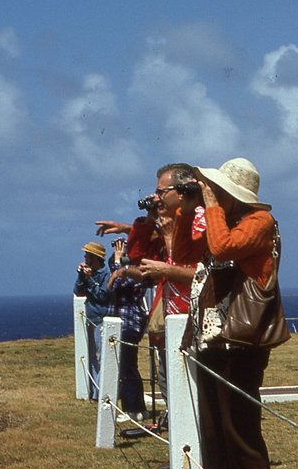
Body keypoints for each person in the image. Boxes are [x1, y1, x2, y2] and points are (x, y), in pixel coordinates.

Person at [180, 157, 287, 469]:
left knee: (240, 432)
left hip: (242, 342)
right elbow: (184, 253)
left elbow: (223, 247)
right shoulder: (222, 218)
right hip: (214, 338)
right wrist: (185, 210)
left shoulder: (260, 223)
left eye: (217, 188)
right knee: (214, 431)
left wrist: (209, 206)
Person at [95, 163, 206, 426]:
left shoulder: (198, 220)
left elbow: (194, 267)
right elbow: (141, 258)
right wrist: (141, 225)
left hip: (190, 314)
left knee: (186, 380)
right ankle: (180, 429)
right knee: (170, 377)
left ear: (182, 191)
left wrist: (167, 237)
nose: (156, 198)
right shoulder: (171, 224)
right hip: (171, 314)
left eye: (161, 192)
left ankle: (187, 434)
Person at [106, 237, 148, 418]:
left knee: (128, 367)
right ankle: (136, 407)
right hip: (119, 323)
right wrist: (116, 270)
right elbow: (108, 289)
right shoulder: (121, 270)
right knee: (126, 367)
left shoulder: (135, 273)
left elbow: (120, 281)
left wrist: (119, 264)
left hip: (128, 323)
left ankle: (134, 409)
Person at [73, 241, 110, 401]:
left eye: (88, 256)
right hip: (91, 318)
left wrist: (90, 280)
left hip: (101, 319)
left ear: (95, 258)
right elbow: (78, 291)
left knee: (101, 357)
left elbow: (103, 295)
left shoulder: (105, 274)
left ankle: (100, 392)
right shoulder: (89, 273)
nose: (85, 259)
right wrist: (81, 276)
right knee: (92, 356)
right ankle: (96, 390)